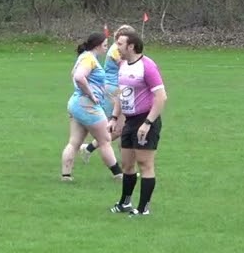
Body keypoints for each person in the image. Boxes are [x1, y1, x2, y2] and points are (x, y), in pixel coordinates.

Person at [110, 33, 168, 216]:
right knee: (127, 164)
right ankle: (125, 203)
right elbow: (122, 93)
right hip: (129, 121)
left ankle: (143, 208)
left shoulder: (147, 67)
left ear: (131, 46)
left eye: (120, 44)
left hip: (145, 120)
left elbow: (161, 97)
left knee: (145, 164)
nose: (116, 47)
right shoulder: (122, 65)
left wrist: (148, 123)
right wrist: (114, 117)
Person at [60, 32, 121, 182]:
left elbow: (73, 74)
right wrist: (92, 95)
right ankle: (119, 175)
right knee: (105, 139)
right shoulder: (89, 58)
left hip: (76, 103)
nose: (107, 48)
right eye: (105, 45)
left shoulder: (84, 57)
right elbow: (79, 77)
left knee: (74, 142)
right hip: (87, 105)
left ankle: (66, 176)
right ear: (97, 45)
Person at [79, 24, 136, 172]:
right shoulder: (116, 50)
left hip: (118, 89)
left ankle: (90, 148)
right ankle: (123, 167)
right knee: (118, 128)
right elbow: (127, 66)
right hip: (113, 90)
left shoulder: (118, 48)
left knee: (121, 128)